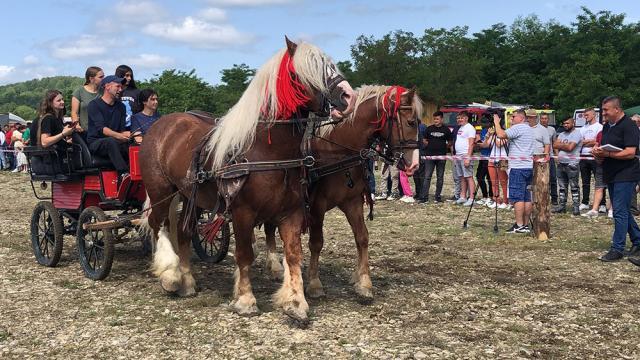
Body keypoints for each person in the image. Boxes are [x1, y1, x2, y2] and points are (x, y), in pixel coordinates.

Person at [591, 96, 640, 261]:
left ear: (617, 109)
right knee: (623, 210)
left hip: (626, 174)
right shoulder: (607, 127)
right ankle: (638, 240)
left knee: (619, 211)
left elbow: (631, 152)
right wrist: (598, 154)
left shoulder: (629, 126)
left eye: (606, 110)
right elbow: (604, 150)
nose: (603, 113)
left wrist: (608, 153)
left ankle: (617, 248)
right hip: (611, 173)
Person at [493, 109, 534, 233]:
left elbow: (500, 135)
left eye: (513, 116)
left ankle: (519, 225)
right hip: (528, 166)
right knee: (527, 197)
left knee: (517, 197)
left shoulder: (519, 127)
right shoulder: (529, 129)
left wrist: (496, 123)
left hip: (518, 167)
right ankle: (525, 225)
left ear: (521, 118)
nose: (511, 119)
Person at [87, 75, 131, 179]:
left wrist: (129, 135)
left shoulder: (121, 107)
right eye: (117, 86)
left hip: (115, 140)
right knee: (110, 141)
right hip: (96, 142)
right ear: (107, 87)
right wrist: (120, 136)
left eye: (121, 87)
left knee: (134, 144)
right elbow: (102, 129)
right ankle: (124, 174)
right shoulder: (94, 105)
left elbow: (121, 131)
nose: (120, 90)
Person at [30, 90, 78, 173]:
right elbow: (45, 142)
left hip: (48, 160)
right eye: (59, 100)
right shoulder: (49, 118)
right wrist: (63, 134)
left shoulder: (51, 119)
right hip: (50, 162)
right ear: (50, 103)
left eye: (62, 99)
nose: (62, 102)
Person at [552, 118, 582, 215]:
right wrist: (564, 145)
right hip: (561, 163)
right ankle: (562, 206)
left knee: (574, 186)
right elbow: (554, 145)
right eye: (564, 123)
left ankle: (576, 207)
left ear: (573, 123)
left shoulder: (577, 134)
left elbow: (570, 148)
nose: (565, 125)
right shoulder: (561, 134)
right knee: (561, 187)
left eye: (567, 123)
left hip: (572, 163)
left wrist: (560, 145)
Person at [420, 111, 451, 203]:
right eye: (434, 119)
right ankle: (424, 197)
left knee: (440, 177)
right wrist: (430, 145)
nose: (435, 120)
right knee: (427, 176)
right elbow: (424, 140)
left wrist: (444, 146)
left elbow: (450, 142)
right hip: (430, 157)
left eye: (437, 119)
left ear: (442, 119)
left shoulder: (446, 130)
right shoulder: (429, 129)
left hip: (441, 156)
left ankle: (437, 196)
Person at [578, 107, 604, 212]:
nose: (585, 117)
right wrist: (589, 141)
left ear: (594, 115)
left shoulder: (599, 127)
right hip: (583, 157)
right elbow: (580, 141)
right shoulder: (583, 128)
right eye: (584, 115)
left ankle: (602, 204)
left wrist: (587, 141)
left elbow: (597, 141)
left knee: (599, 182)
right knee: (585, 181)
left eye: (587, 115)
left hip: (595, 157)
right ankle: (585, 202)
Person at [454, 111, 478, 206]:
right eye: (458, 118)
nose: (459, 120)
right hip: (459, 155)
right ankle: (463, 196)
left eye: (461, 118)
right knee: (462, 177)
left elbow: (471, 143)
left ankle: (472, 198)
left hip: (465, 155)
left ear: (466, 118)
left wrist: (468, 157)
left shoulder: (470, 128)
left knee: (469, 177)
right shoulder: (461, 128)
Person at [482, 126, 509, 209]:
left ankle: (505, 201)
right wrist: (488, 136)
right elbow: (485, 145)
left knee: (503, 182)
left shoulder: (506, 133)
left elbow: (499, 144)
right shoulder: (493, 135)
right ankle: (496, 200)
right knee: (494, 182)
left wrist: (495, 133)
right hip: (492, 159)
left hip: (503, 159)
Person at [71, 66, 104, 133]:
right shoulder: (79, 92)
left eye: (104, 76)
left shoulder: (104, 92)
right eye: (101, 77)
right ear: (91, 79)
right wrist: (76, 125)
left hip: (101, 132)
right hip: (84, 131)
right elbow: (74, 112)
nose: (103, 79)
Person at [540, 113, 558, 205]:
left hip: (550, 157)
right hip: (539, 157)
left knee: (553, 178)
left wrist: (557, 155)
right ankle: (543, 197)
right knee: (541, 179)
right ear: (540, 119)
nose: (544, 120)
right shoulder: (536, 129)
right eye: (542, 118)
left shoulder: (552, 129)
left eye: (546, 118)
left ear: (548, 120)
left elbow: (554, 143)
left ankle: (554, 198)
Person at [115, 64, 140, 129]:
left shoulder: (136, 92)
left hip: (134, 128)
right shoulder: (113, 92)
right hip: (116, 128)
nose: (129, 78)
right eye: (127, 75)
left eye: (130, 76)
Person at [475, 120, 494, 206]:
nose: (482, 124)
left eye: (484, 122)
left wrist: (481, 143)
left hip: (490, 158)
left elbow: (486, 145)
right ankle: (485, 196)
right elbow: (479, 143)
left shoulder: (493, 131)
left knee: (490, 179)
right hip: (483, 157)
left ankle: (491, 197)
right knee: (479, 177)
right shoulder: (481, 131)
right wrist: (479, 143)